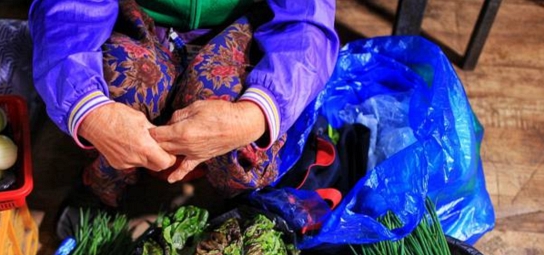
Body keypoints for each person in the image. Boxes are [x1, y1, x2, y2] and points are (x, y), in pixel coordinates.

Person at [29, 0, 339, 209]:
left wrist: (255, 114)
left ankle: (233, 203)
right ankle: (105, 189)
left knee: (244, 126)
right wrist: (90, 112)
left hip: (245, 29)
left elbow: (306, 23)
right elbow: (69, 10)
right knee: (120, 84)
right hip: (141, 25)